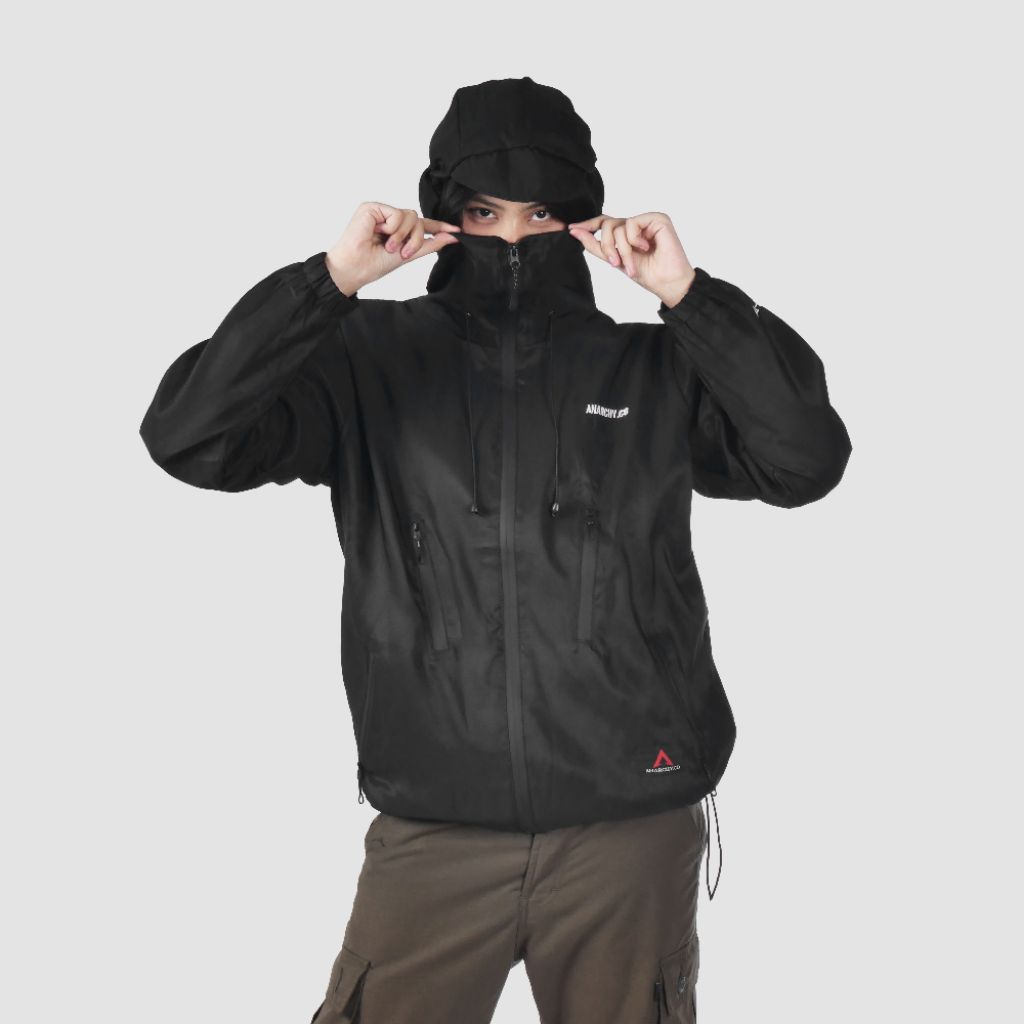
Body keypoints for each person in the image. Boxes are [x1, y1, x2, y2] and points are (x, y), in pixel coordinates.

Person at [139, 76, 851, 1024]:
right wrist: (327, 282)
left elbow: (804, 460)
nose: (512, 236)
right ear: (443, 214)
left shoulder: (652, 367)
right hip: (434, 827)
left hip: (627, 829)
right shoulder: (366, 359)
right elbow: (189, 438)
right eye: (483, 211)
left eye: (541, 212)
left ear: (582, 220)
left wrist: (689, 296)